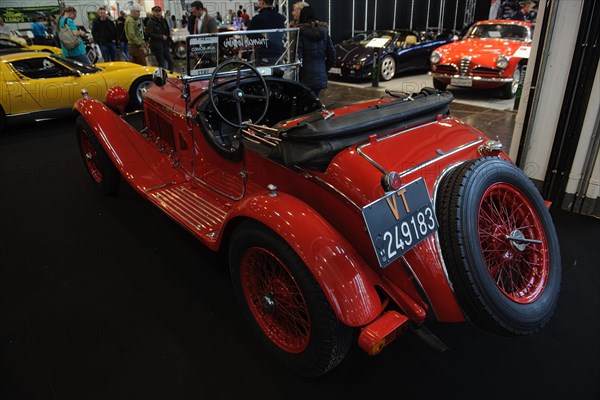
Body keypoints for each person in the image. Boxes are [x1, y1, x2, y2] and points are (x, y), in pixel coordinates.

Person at [296, 6, 335, 97]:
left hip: (305, 76)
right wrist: (324, 68)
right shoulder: (324, 32)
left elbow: (298, 56)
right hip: (320, 75)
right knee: (315, 102)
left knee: (305, 105)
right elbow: (332, 54)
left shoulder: (300, 33)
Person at [247, 0, 286, 65]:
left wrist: (262, 40)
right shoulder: (281, 17)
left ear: (262, 2)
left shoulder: (257, 18)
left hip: (264, 54)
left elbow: (249, 34)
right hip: (279, 52)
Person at [146, 6, 174, 72]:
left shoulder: (163, 20)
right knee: (162, 64)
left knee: (171, 62)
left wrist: (168, 37)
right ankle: (164, 79)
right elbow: (149, 34)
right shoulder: (150, 22)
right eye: (156, 11)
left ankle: (171, 75)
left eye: (159, 11)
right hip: (157, 46)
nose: (158, 13)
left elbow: (167, 30)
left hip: (165, 45)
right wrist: (161, 37)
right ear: (153, 12)